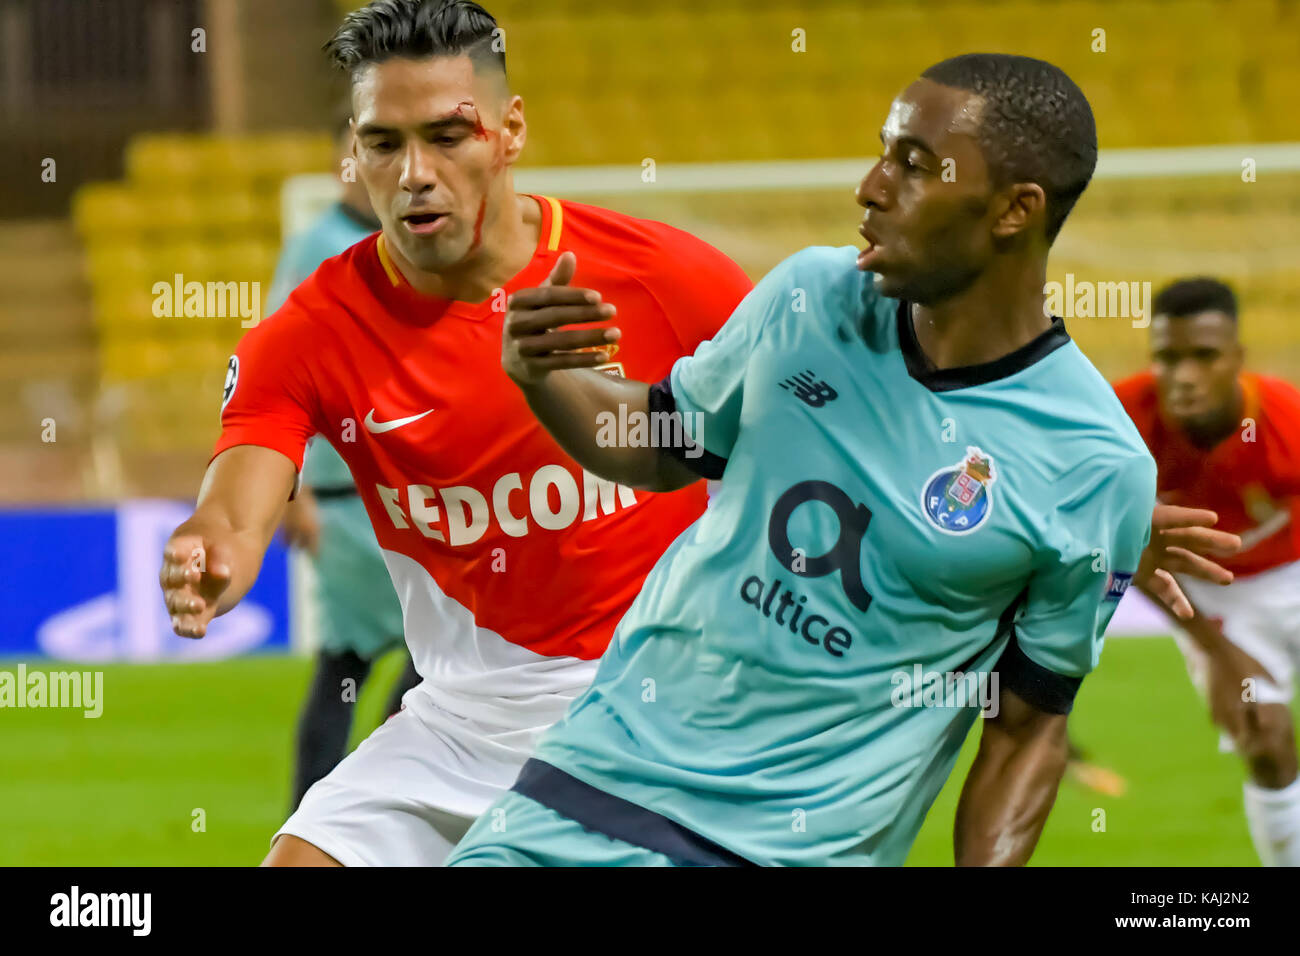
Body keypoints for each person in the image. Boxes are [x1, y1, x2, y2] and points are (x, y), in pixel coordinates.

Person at [447, 53, 1239, 867]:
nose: (871, 186)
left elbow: (1026, 730)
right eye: (884, 152)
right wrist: (544, 379)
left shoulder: (1095, 463)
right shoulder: (809, 296)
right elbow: (658, 444)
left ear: (1014, 210)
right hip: (580, 787)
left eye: (915, 165)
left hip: (781, 852)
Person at [158, 0, 753, 866]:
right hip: (463, 723)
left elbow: (812, 430)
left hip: (663, 712)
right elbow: (236, 507)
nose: (413, 174)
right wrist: (206, 552)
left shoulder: (667, 278)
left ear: (510, 132)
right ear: (354, 154)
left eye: (447, 136)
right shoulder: (311, 331)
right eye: (384, 143)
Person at [1115, 277, 1300, 866]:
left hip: (1294, 569)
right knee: (1264, 739)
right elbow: (1125, 548)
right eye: (1168, 357)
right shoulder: (1122, 421)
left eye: (1205, 356)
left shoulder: (1286, 424)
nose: (1184, 375)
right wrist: (1220, 656)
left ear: (1237, 361)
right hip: (1209, 593)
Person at [266, 107, 421, 812]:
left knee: (427, 664)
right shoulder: (318, 247)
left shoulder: (415, 242)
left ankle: (353, 807)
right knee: (363, 662)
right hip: (344, 498)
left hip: (411, 494)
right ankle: (336, 810)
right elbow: (276, 368)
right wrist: (289, 488)